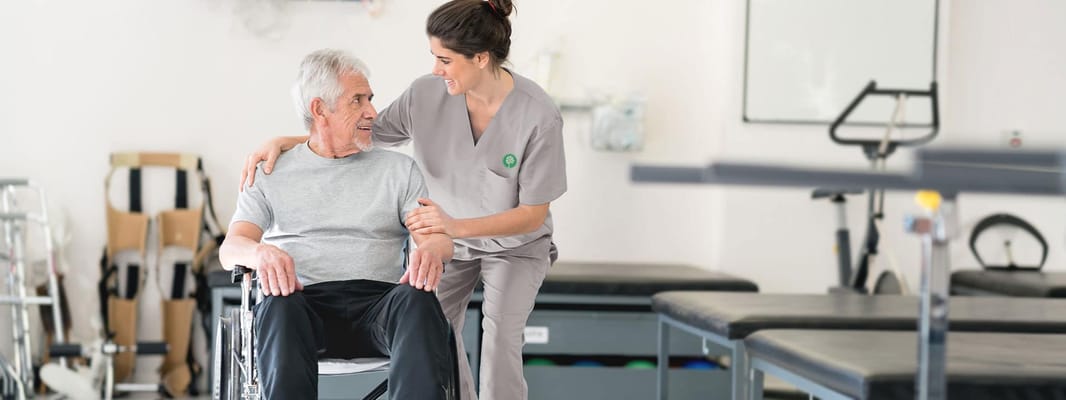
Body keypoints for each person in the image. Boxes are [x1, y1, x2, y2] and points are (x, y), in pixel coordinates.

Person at [241, 1, 566, 399]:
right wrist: (289, 141)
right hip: (448, 246)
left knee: (499, 340)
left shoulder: (537, 114)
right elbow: (359, 132)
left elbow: (532, 215)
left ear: (480, 58)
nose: (435, 69)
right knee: (435, 330)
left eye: (444, 59)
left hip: (514, 246)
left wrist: (453, 227)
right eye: (433, 56)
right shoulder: (426, 95)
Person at [219, 49, 458, 400]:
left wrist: (432, 251)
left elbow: (437, 240)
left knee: (418, 300)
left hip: (381, 307)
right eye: (357, 101)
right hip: (302, 306)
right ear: (320, 109)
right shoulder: (270, 172)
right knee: (276, 304)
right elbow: (231, 248)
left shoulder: (398, 170)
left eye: (370, 99)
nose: (372, 112)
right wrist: (261, 253)